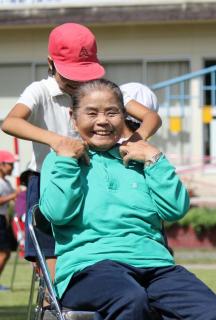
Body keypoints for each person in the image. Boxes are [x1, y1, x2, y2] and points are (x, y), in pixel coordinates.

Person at [39, 79, 216, 320]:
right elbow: (57, 214)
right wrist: (67, 161)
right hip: (88, 268)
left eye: (112, 112)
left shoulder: (139, 158)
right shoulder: (60, 159)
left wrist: (155, 158)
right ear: (73, 117)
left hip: (156, 265)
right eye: (91, 113)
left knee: (208, 309)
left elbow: (175, 209)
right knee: (131, 299)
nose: (102, 121)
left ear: (123, 116)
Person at [1, 22, 161, 270]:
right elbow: (10, 122)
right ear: (50, 63)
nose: (77, 82)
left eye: (83, 72)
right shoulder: (39, 91)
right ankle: (53, 305)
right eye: (70, 74)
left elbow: (151, 117)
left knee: (92, 246)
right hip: (47, 179)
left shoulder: (103, 90)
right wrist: (56, 140)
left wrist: (134, 141)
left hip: (91, 180)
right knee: (49, 250)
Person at [0, 150, 18, 291]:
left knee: (7, 252)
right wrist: (14, 195)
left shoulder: (5, 182)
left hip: (4, 220)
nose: (12, 167)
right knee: (4, 252)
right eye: (10, 164)